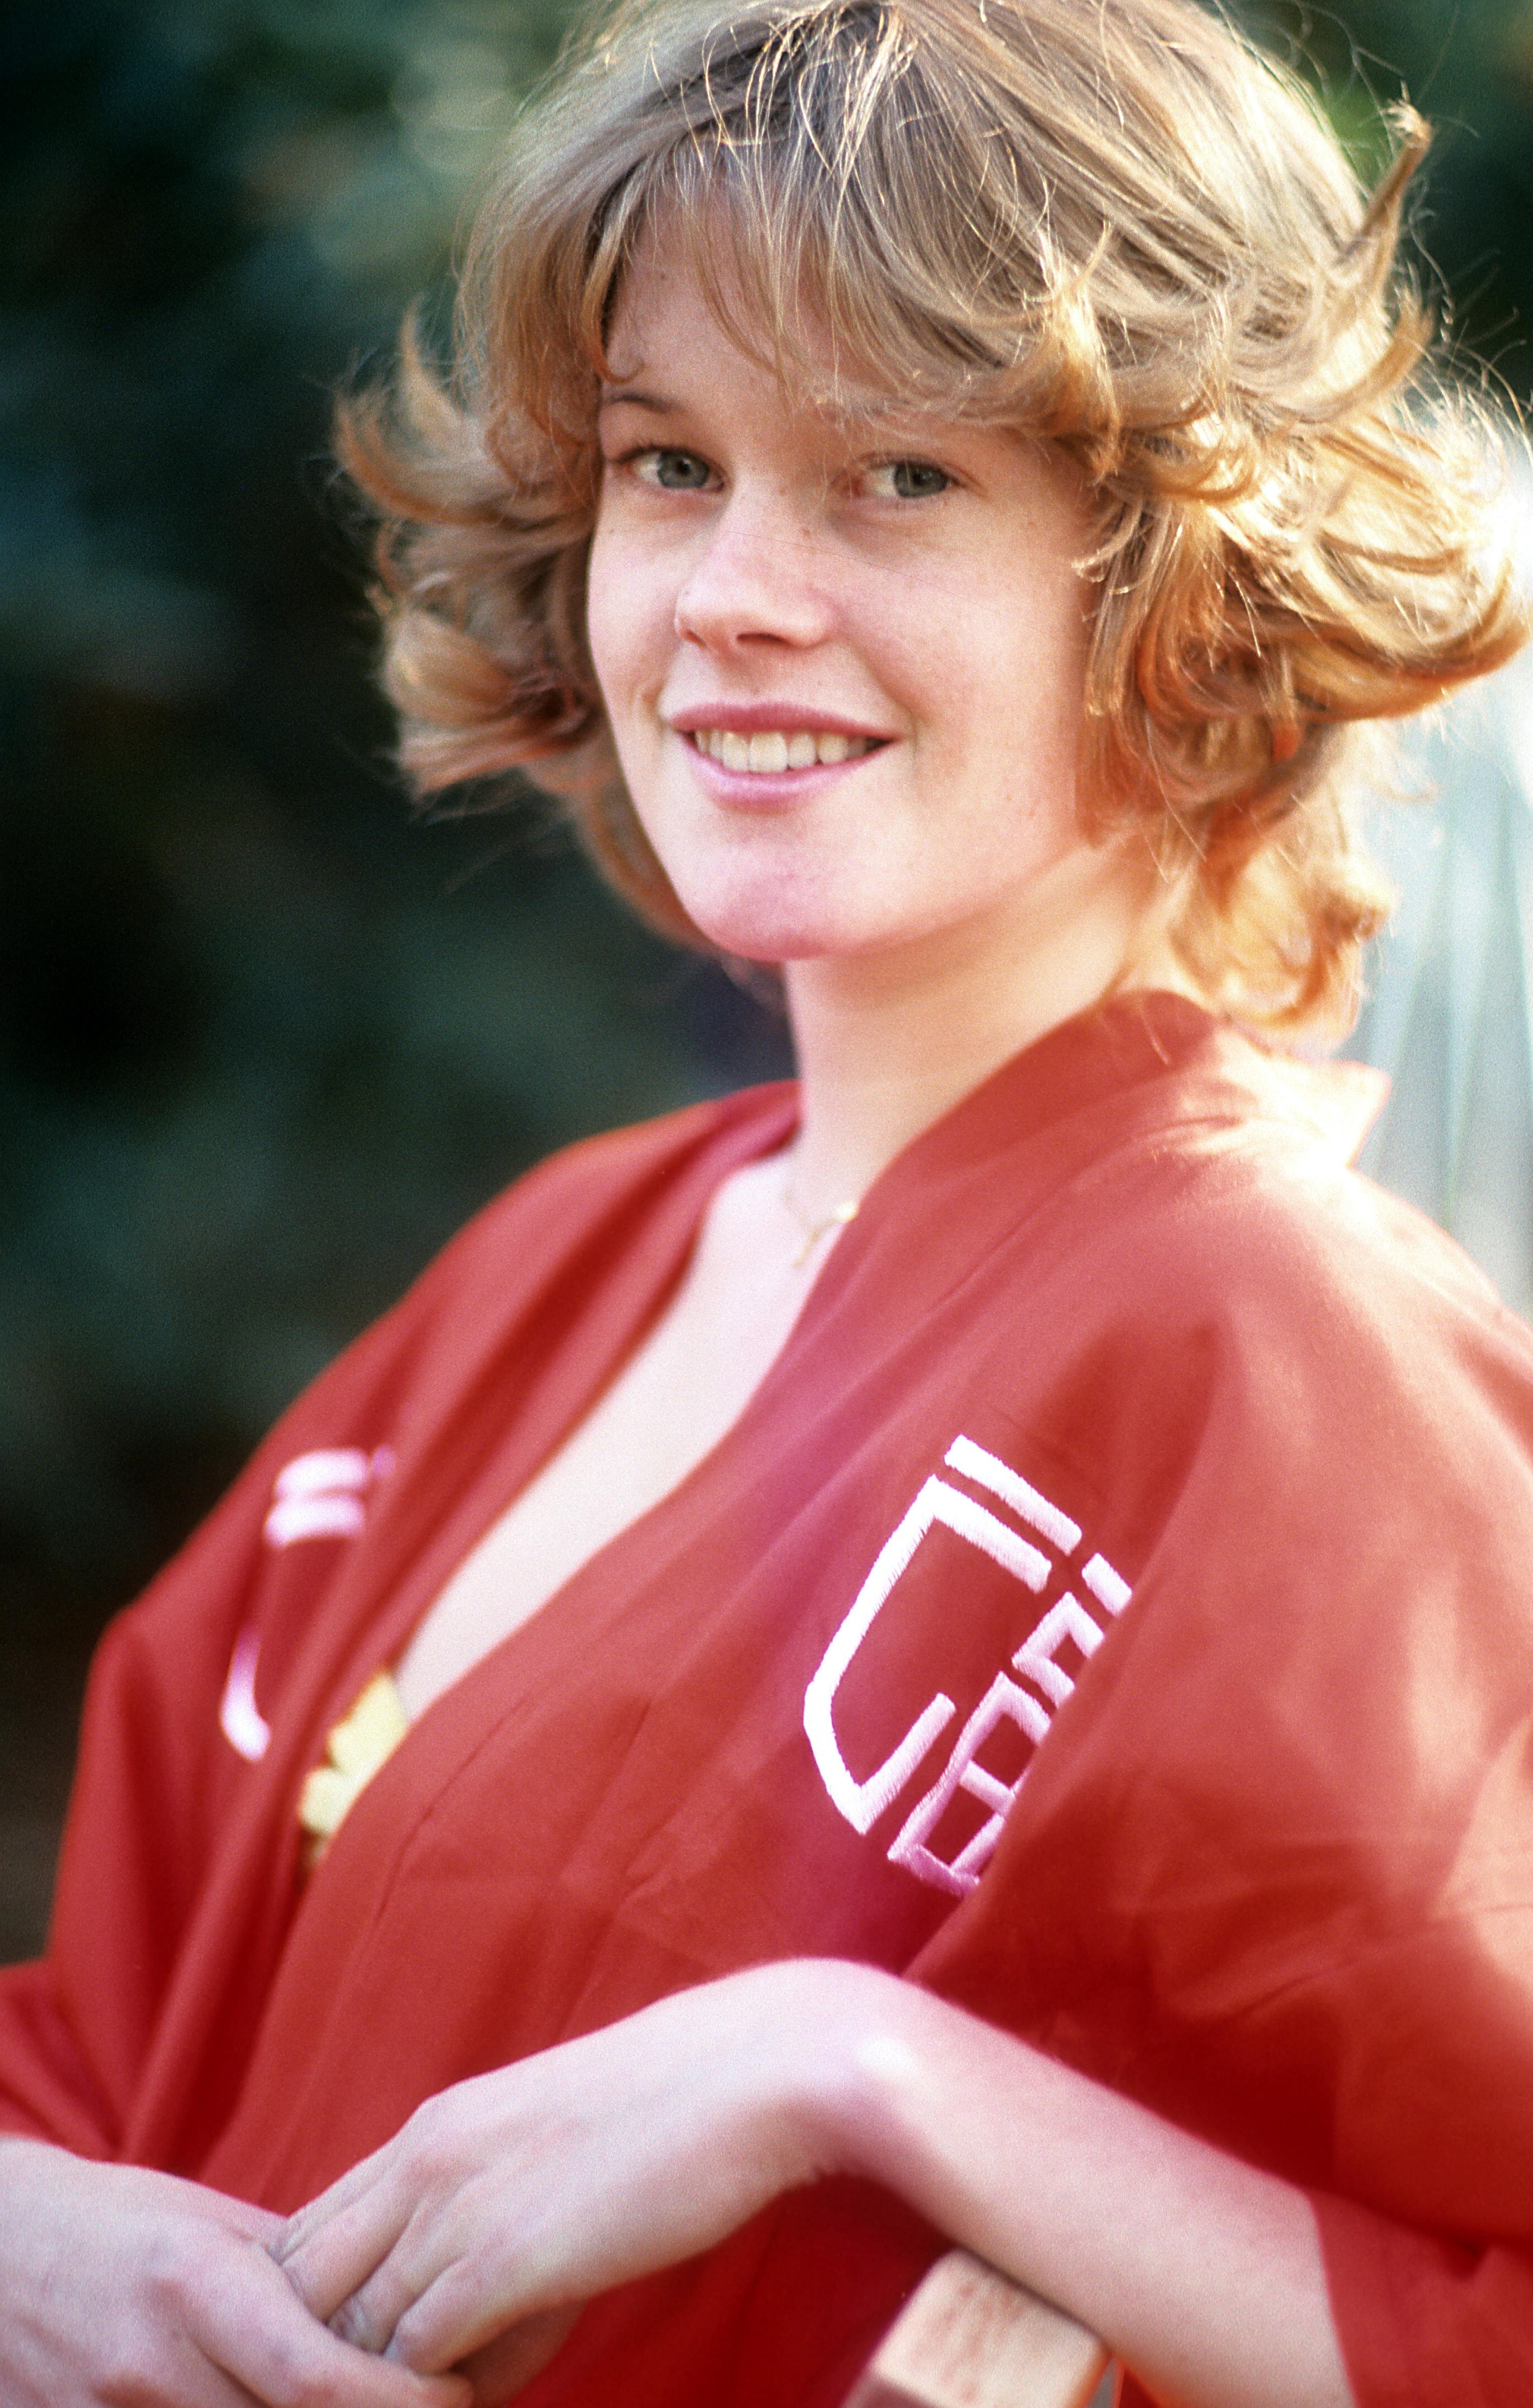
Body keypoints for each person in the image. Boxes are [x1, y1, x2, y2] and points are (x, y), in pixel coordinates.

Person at [2, 0, 1529, 2402]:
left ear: (1180, 568)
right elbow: (110, 2031)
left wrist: (861, 2074)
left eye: (896, 476)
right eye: (669, 465)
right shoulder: (569, 1255)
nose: (729, 590)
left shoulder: (1287, 1347)